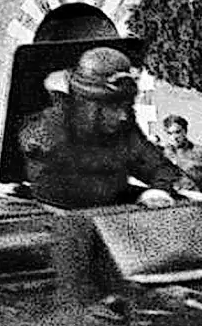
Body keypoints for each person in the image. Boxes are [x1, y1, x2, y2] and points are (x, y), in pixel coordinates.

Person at [19, 45, 184, 208]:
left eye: (125, 106)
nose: (123, 116)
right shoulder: (49, 130)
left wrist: (158, 191)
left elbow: (160, 168)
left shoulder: (123, 132)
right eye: (113, 106)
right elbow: (54, 188)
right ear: (88, 104)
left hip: (109, 218)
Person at [161, 115, 202, 193]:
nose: (174, 137)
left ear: (185, 131)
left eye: (177, 132)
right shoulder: (163, 156)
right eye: (170, 133)